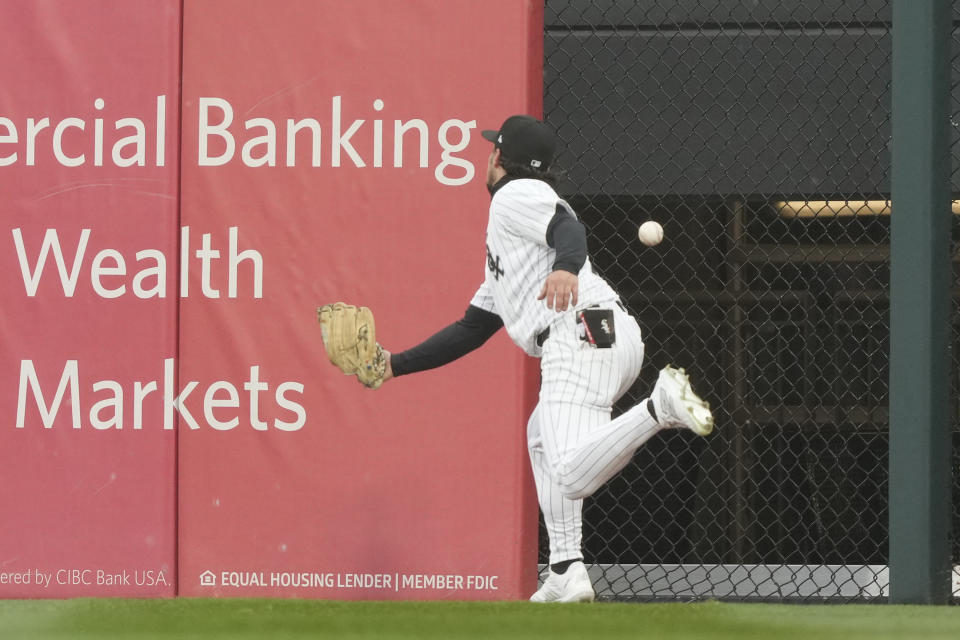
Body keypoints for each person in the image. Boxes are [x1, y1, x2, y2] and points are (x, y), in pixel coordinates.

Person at [379, 115, 714, 603]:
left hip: (578, 331)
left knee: (570, 473)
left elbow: (568, 227)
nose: (487, 154)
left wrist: (564, 267)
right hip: (602, 333)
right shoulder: (509, 247)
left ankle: (658, 409)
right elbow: (471, 329)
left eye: (490, 149)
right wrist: (393, 364)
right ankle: (565, 568)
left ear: (498, 157)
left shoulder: (515, 195)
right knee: (541, 437)